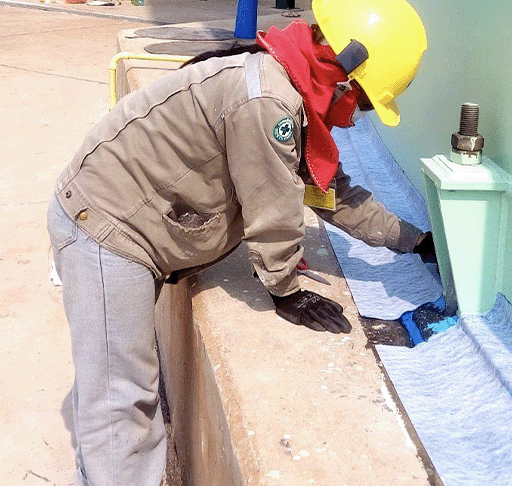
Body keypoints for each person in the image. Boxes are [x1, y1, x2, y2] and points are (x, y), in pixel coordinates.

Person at [46, 0, 431, 484]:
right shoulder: (269, 103)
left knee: (115, 391)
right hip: (108, 225)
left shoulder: (286, 83)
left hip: (130, 218)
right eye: (365, 101)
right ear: (344, 74)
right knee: (120, 400)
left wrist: (416, 242)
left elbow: (331, 193)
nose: (357, 117)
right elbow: (274, 204)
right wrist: (284, 288)